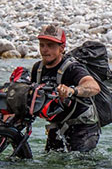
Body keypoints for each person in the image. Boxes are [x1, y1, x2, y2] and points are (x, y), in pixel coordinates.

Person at [31, 24, 101, 152]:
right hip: (56, 126)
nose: (45, 50)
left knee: (77, 167)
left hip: (82, 127)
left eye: (50, 46)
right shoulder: (38, 69)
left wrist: (72, 90)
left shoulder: (72, 68)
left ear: (62, 48)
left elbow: (94, 87)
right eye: (42, 45)